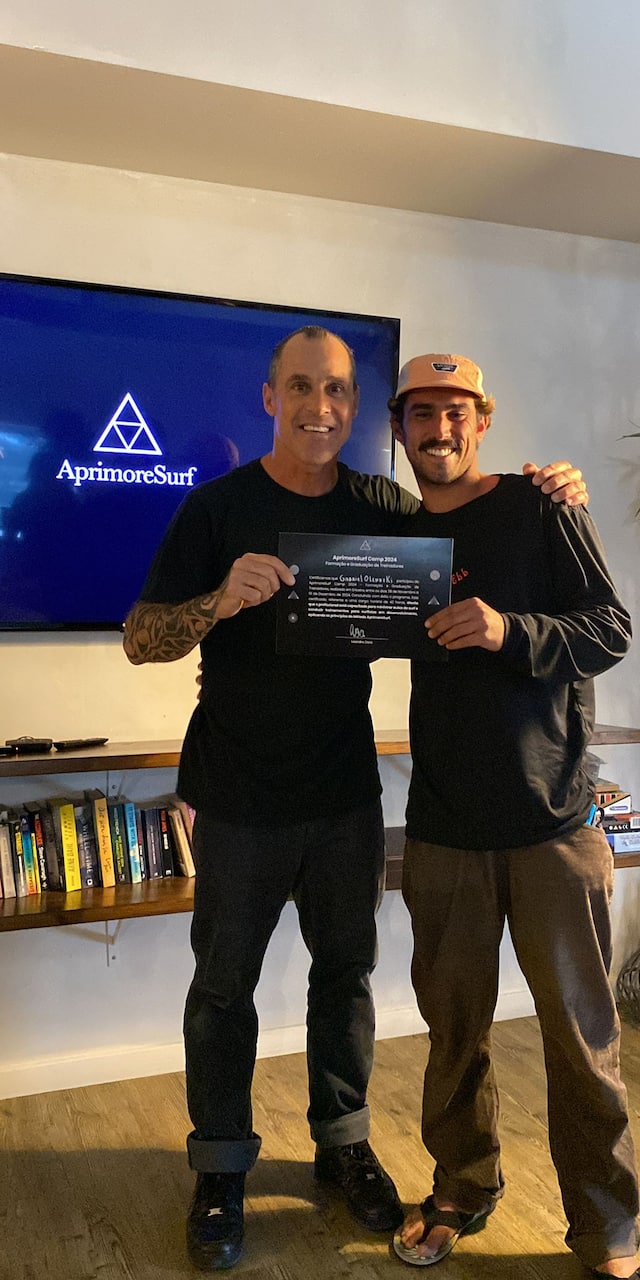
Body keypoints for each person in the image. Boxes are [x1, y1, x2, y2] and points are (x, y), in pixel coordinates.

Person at [122, 325, 588, 1273]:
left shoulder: (382, 505)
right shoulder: (216, 508)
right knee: (223, 990)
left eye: (337, 389)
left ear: (355, 406)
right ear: (270, 399)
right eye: (301, 387)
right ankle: (220, 1170)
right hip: (237, 797)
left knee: (347, 980)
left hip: (344, 793)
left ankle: (343, 1147)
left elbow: (473, 523)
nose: (320, 406)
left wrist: (555, 489)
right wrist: (218, 602)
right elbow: (140, 638)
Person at [387, 354, 640, 1280]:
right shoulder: (396, 532)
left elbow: (610, 629)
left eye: (457, 412)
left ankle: (607, 1233)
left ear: (484, 420)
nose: (441, 430)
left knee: (583, 1044)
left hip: (554, 825)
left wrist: (510, 630)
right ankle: (462, 1187)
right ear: (400, 428)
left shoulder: (543, 505)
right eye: (423, 414)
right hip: (443, 826)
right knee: (452, 1035)